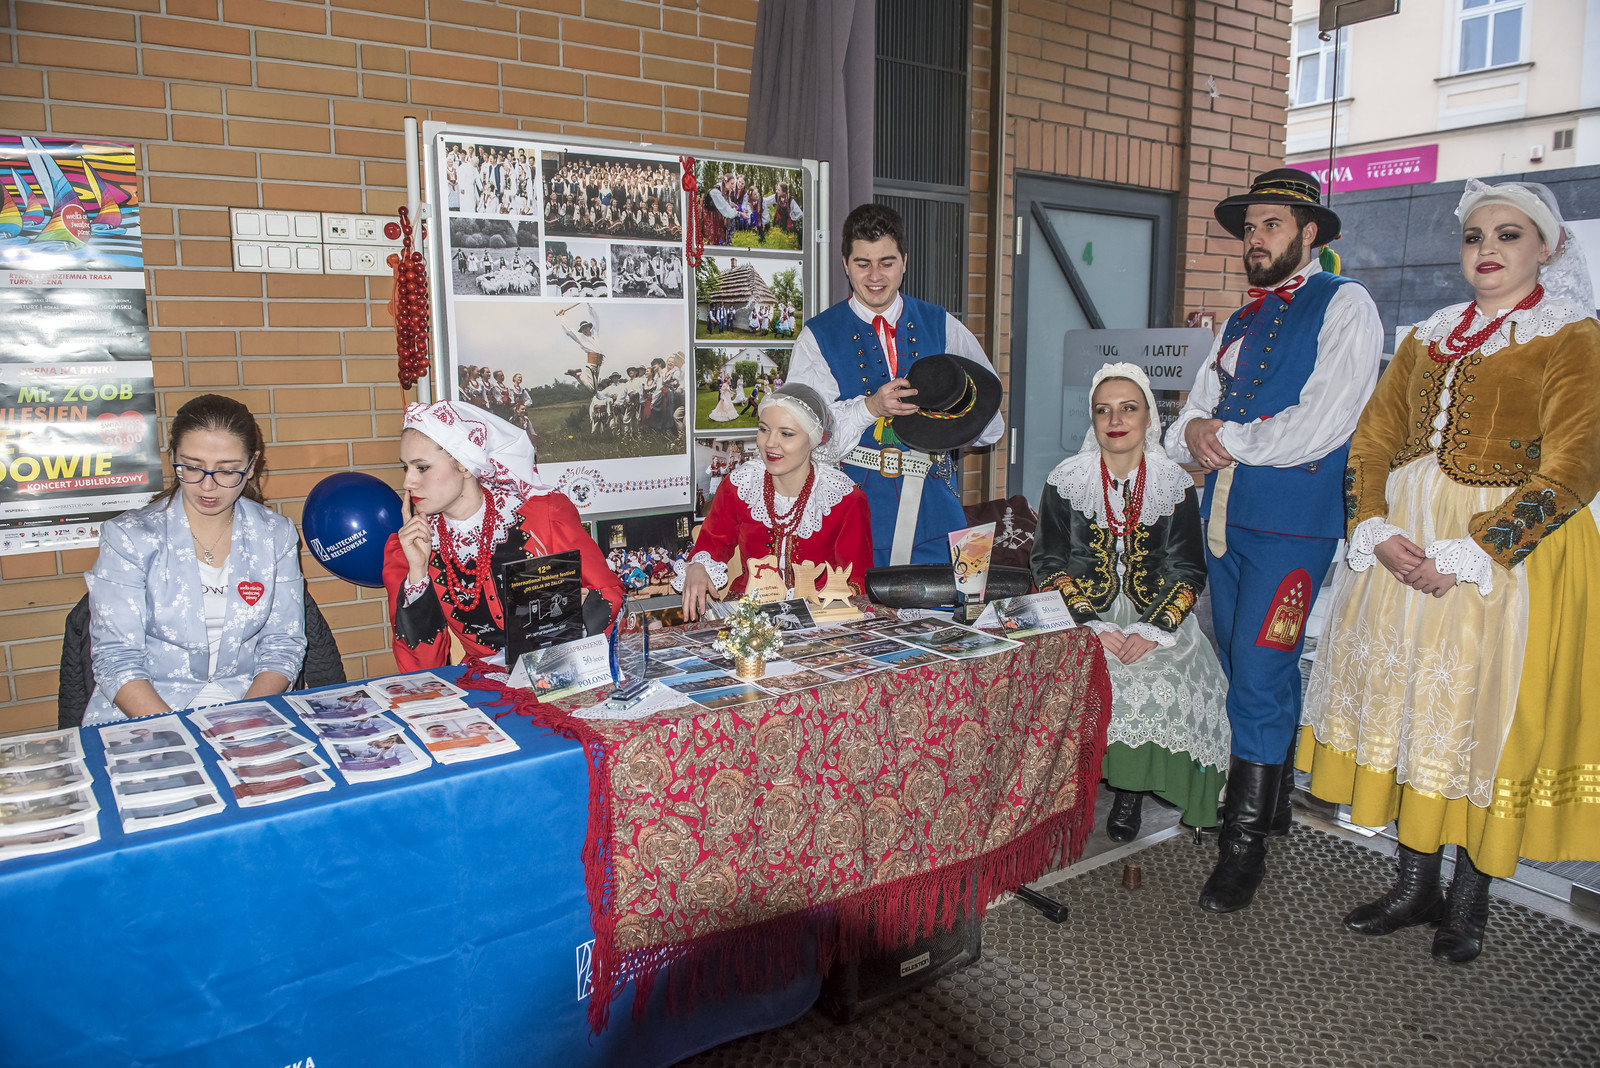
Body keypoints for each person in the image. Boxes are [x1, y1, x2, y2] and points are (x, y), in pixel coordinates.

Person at [1300, 180, 1600, 963]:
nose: (1487, 249)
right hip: (1403, 548)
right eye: (1474, 236)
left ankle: (1469, 898)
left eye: (1508, 235)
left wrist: (1476, 553)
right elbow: (1374, 438)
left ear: (1546, 248)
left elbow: (1576, 464)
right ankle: (1414, 883)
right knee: (1412, 709)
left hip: (1507, 563)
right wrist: (1373, 525)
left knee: (1479, 720)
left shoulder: (1571, 335)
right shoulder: (1430, 335)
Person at [1165, 168, 1383, 913]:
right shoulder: (1239, 320)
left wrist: (1223, 437)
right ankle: (1277, 798)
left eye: (1271, 226)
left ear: (1308, 233)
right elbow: (1188, 422)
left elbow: (1326, 420)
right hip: (1225, 520)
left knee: (1259, 672)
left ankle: (1243, 845)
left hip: (1293, 527)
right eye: (1250, 228)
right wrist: (1196, 431)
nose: (1255, 240)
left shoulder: (1346, 303)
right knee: (1242, 662)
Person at [1033, 365, 1231, 838]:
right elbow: (1047, 564)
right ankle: (1068, 794)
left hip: (1155, 615)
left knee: (1159, 676)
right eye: (1103, 410)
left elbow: (1188, 569)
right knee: (1074, 679)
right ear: (1092, 419)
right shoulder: (1066, 479)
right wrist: (1091, 624)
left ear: (1148, 418)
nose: (1115, 420)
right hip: (1080, 614)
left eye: (1128, 408)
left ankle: (1129, 792)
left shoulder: (1174, 483)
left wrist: (1153, 629)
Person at [790, 203, 1005, 566]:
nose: (875, 276)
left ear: (905, 262)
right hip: (853, 516)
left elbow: (991, 425)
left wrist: (951, 418)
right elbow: (803, 440)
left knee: (953, 602)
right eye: (863, 263)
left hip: (938, 515)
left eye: (887, 263)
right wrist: (869, 408)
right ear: (845, 264)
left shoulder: (942, 324)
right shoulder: (817, 336)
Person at [84, 394, 306, 725]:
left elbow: (283, 645)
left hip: (248, 704)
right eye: (191, 467)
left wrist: (246, 719)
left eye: (227, 471)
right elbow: (117, 658)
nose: (208, 485)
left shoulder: (275, 534)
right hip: (147, 714)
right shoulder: (130, 537)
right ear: (173, 457)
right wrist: (177, 733)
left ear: (251, 464)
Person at [383, 401, 623, 671]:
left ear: (464, 465)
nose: (408, 482)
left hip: (564, 670)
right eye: (405, 468)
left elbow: (609, 595)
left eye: (422, 467)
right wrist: (417, 573)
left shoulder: (543, 517)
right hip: (486, 685)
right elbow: (421, 670)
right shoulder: (410, 547)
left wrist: (577, 613)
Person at [676, 384, 873, 619]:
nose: (770, 443)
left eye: (786, 434)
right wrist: (697, 567)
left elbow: (856, 579)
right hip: (750, 612)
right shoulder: (740, 485)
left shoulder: (844, 498)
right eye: (763, 429)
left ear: (813, 440)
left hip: (820, 614)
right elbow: (712, 543)